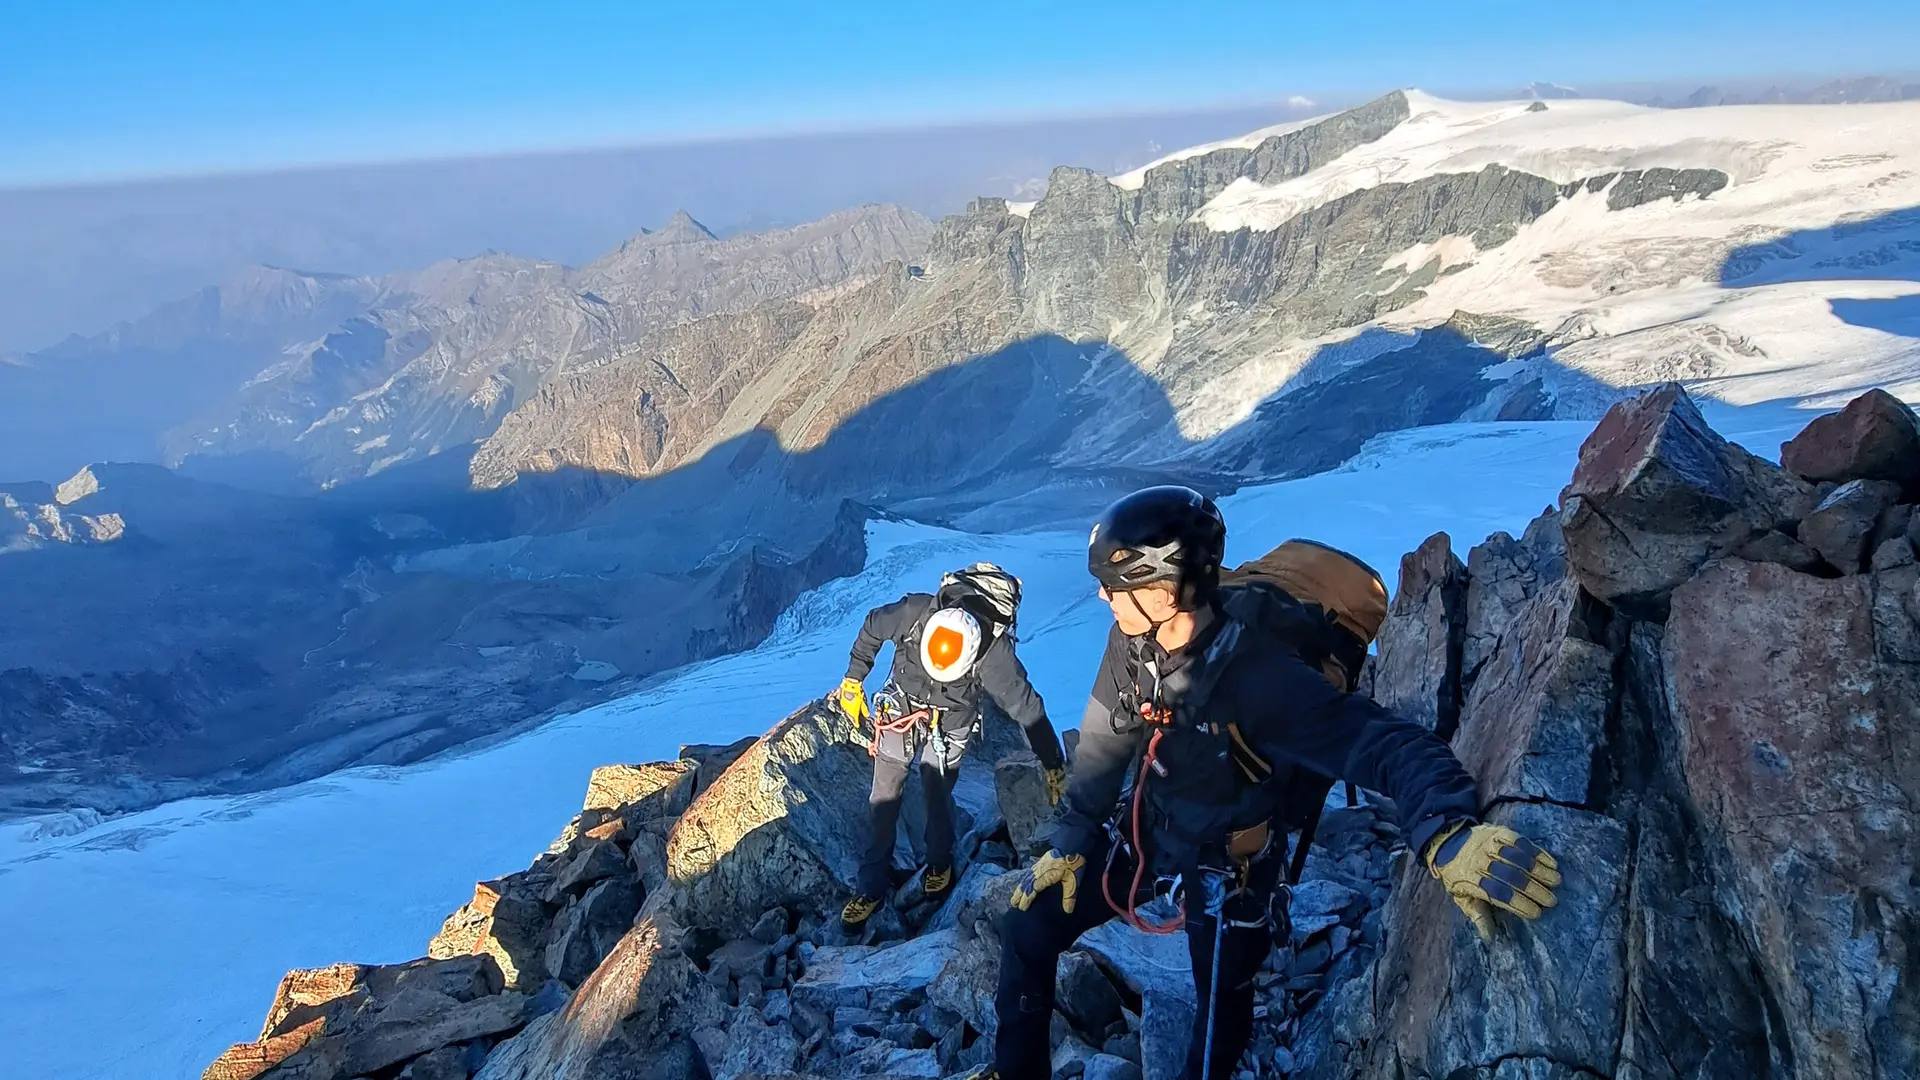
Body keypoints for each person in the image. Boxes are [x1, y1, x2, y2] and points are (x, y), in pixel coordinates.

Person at [975, 486, 1563, 1080]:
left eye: (1114, 585)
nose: (1103, 596)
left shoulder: (1260, 679)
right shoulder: (1132, 643)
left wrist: (1447, 832)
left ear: (1165, 593)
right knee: (1029, 924)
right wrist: (1073, 842)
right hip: (1155, 821)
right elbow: (1104, 745)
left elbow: (1386, 743)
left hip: (1229, 863)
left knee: (1215, 1018)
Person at [834, 562, 1069, 927]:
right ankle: (871, 887)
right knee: (883, 798)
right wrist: (853, 679)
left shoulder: (993, 655)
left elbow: (1028, 709)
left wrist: (1052, 761)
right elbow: (873, 625)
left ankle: (939, 862)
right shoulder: (916, 613)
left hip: (952, 720)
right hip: (902, 707)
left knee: (937, 793)